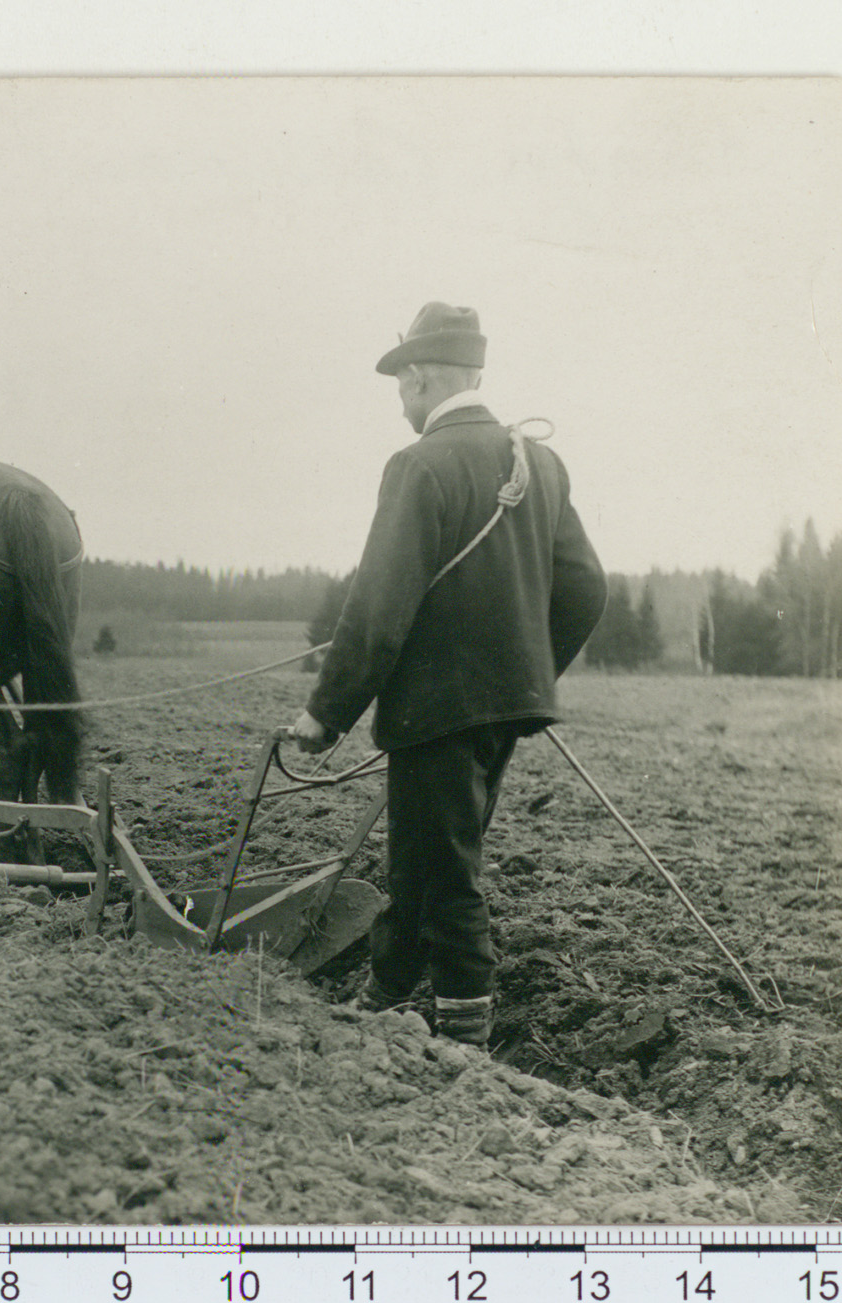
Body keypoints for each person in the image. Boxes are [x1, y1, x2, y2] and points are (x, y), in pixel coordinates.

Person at [283, 302, 605, 1047]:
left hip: (436, 709)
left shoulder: (419, 464)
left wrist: (324, 714)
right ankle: (390, 985)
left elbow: (376, 607)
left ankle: (464, 1026)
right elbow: (588, 587)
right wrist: (526, 674)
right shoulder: (539, 462)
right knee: (423, 853)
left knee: (447, 865)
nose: (401, 401)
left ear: (422, 377)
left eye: (401, 385)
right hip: (505, 710)